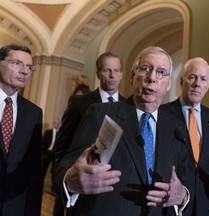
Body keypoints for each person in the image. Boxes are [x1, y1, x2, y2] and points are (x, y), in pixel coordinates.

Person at [53, 46, 194, 215]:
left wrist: (182, 195)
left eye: (161, 72)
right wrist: (70, 180)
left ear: (169, 84)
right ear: (132, 77)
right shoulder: (100, 114)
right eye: (146, 69)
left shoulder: (176, 128)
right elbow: (65, 165)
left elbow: (186, 182)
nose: (152, 78)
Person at [52, 51, 125, 216]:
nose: (112, 75)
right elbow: (62, 148)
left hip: (116, 192)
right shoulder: (79, 103)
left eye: (117, 70)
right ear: (99, 74)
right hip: (84, 192)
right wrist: (64, 181)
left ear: (121, 74)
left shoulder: (129, 106)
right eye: (107, 70)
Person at [161, 57, 209, 216]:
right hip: (171, 204)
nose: (197, 83)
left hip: (206, 204)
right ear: (181, 80)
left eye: (203, 79)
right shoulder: (163, 114)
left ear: (208, 86)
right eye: (192, 77)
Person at [0, 44, 43, 216]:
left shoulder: (34, 113)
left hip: (14, 207)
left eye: (29, 67)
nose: (25, 71)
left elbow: (34, 173)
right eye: (17, 63)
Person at [41, 118, 61, 184]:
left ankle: (53, 186)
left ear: (59, 124)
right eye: (55, 123)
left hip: (56, 154)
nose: (56, 124)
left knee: (55, 170)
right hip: (47, 153)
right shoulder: (48, 132)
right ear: (53, 123)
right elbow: (43, 143)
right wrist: (44, 152)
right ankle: (40, 182)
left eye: (57, 123)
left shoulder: (61, 134)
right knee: (43, 169)